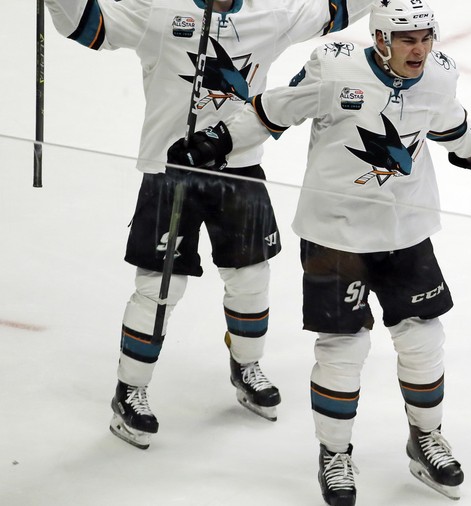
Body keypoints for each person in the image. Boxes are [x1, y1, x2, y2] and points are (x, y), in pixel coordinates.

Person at [166, 1, 471, 504]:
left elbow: (447, 124)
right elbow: (271, 111)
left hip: (405, 228)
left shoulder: (439, 76)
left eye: (425, 38)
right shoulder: (335, 70)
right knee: (342, 349)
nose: (418, 49)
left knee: (422, 340)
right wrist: (215, 140)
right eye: (406, 40)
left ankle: (425, 439)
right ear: (380, 41)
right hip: (335, 233)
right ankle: (334, 454)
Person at [45, 0, 372, 450]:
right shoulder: (159, 10)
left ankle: (246, 366)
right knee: (159, 288)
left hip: (239, 168)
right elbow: (89, 25)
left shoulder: (270, 15)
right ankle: (130, 390)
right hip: (170, 169)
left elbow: (335, 9)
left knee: (251, 279)